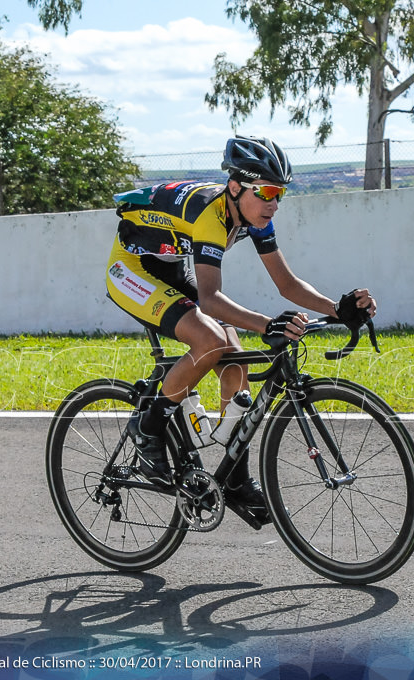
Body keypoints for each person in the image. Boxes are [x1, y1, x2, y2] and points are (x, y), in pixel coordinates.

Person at [106, 134, 375, 521]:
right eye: (264, 191)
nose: (273, 203)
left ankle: (233, 478)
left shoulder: (254, 218)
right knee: (212, 339)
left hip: (169, 266)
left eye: (279, 193)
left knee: (234, 356)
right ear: (236, 187)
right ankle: (148, 427)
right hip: (131, 269)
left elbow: (287, 284)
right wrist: (269, 323)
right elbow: (212, 300)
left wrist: (337, 308)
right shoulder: (209, 213)